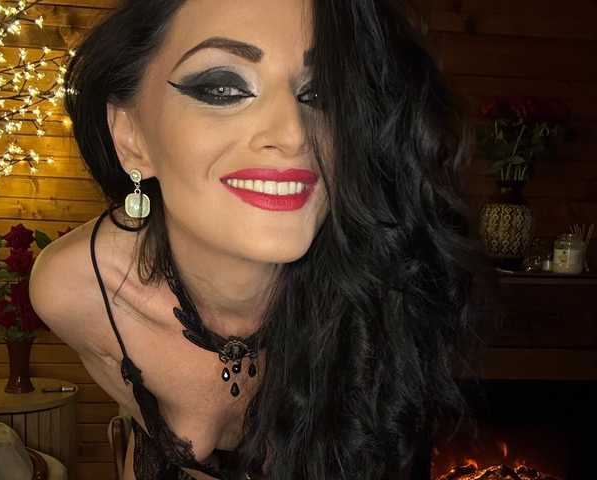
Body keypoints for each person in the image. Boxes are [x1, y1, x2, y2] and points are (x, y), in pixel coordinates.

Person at [29, 0, 498, 479]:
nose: (293, 134)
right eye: (223, 88)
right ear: (131, 137)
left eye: (319, 93)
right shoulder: (79, 293)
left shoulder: (386, 288)